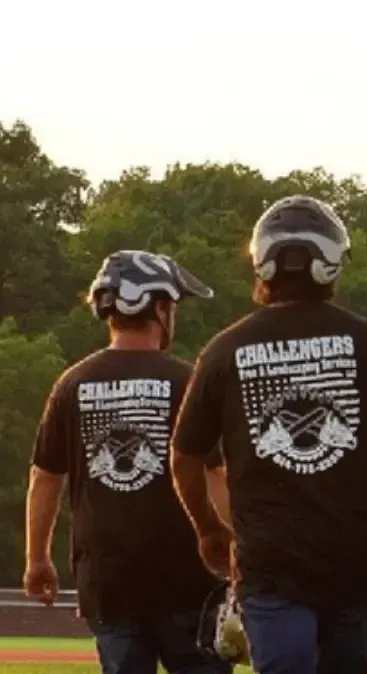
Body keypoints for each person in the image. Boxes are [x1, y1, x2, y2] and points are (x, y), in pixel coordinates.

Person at [169, 195, 367, 674]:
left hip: (271, 567)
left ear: (262, 264)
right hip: (356, 565)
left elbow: (184, 455)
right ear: (331, 261)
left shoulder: (224, 350)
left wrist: (208, 526)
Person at [25, 250, 231, 674]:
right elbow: (216, 473)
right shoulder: (186, 381)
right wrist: (235, 548)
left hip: (107, 582)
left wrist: (37, 558)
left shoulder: (73, 383)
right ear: (159, 307)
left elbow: (45, 477)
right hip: (188, 582)